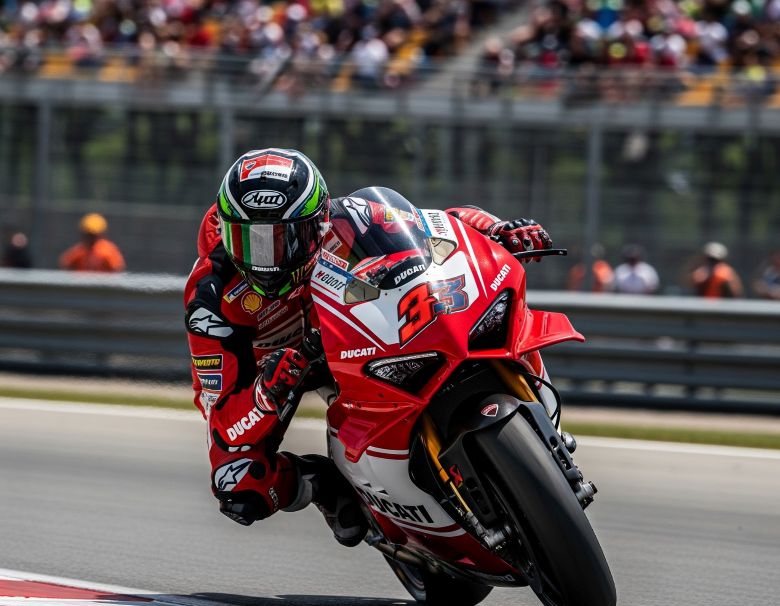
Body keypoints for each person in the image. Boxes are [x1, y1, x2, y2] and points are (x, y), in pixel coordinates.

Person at [185, 147, 553, 545]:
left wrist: (497, 229)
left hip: (353, 339)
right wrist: (265, 392)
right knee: (237, 484)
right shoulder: (210, 298)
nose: (268, 260)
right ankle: (323, 483)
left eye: (284, 239)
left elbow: (439, 222)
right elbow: (223, 421)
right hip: (277, 373)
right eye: (250, 242)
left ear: (318, 222)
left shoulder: (350, 217)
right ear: (227, 232)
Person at [59, 213, 126, 272]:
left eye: (93, 235)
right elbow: (65, 264)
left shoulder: (107, 252)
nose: (90, 239)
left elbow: (117, 268)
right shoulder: (79, 251)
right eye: (88, 235)